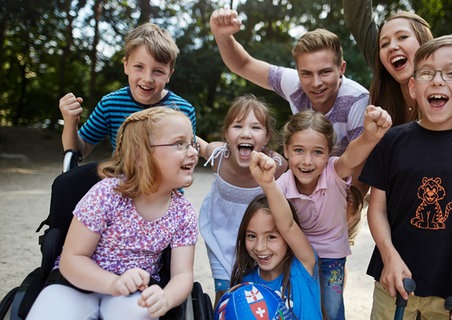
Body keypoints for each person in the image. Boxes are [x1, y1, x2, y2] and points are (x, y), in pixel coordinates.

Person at [358, 34, 452, 320]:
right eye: (427, 73)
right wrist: (389, 257)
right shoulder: (391, 142)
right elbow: (376, 209)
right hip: (393, 284)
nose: (438, 81)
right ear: (414, 87)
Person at [210, 6, 369, 249]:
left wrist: (351, 204)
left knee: (330, 256)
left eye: (325, 72)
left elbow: (361, 162)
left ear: (342, 69)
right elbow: (243, 64)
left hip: (341, 187)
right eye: (306, 73)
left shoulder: (357, 100)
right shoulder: (293, 83)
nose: (315, 83)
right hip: (302, 182)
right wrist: (222, 36)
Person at [27, 107, 200, 319]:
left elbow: (182, 275)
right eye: (180, 144)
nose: (193, 152)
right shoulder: (107, 194)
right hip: (77, 282)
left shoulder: (183, 212)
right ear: (140, 154)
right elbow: (72, 259)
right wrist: (113, 283)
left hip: (136, 290)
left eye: (192, 143)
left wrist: (166, 298)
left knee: (140, 314)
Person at [342, 0, 452, 170]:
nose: (392, 46)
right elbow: (356, 18)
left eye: (403, 37)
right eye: (384, 44)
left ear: (424, 45)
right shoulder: (385, 76)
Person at [274, 107, 391, 319]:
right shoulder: (281, 186)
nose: (307, 161)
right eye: (298, 150)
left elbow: (351, 157)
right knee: (297, 305)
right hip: (296, 256)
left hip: (332, 257)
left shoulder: (333, 172)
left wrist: (369, 137)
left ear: (329, 153)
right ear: (286, 150)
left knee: (332, 309)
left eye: (317, 152)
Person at [196, 94, 287, 306]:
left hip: (258, 240)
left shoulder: (276, 165)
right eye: (237, 126)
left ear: (266, 138)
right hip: (221, 237)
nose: (246, 133)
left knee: (256, 295)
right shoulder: (218, 156)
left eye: (256, 127)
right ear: (227, 134)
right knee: (225, 294)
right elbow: (197, 144)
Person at [59, 22, 196, 157]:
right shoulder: (110, 105)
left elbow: (187, 157)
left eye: (158, 71)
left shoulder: (183, 110)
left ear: (169, 75)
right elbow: (79, 151)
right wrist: (70, 122)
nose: (147, 78)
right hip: (122, 178)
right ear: (126, 65)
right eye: (139, 67)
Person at [230, 151, 323, 319]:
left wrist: (268, 184)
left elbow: (286, 225)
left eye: (271, 237)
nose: (259, 247)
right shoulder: (246, 285)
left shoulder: (303, 265)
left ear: (287, 239)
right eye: (251, 236)